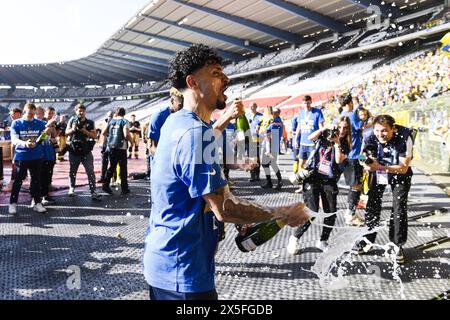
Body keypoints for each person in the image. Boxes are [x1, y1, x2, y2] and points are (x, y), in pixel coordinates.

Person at [143, 44, 310, 301]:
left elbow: (199, 171)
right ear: (193, 82)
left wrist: (234, 166)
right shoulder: (194, 134)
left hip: (167, 266)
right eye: (216, 72)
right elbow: (226, 209)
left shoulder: (179, 124)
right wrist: (282, 213)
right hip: (183, 275)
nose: (226, 79)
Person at [287, 116, 352, 254]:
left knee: (331, 213)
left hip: (329, 180)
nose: (341, 130)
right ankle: (295, 237)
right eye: (339, 127)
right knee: (312, 211)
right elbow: (310, 138)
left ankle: (322, 240)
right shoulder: (324, 135)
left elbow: (339, 159)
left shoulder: (345, 143)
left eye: (345, 128)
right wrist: (323, 128)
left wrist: (336, 142)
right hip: (313, 177)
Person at [356, 115, 414, 264]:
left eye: (384, 131)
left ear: (393, 129)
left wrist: (379, 167)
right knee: (372, 205)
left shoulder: (405, 137)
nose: (380, 134)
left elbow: (403, 168)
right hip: (379, 170)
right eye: (377, 130)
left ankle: (397, 245)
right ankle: (367, 240)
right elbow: (361, 157)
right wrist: (365, 164)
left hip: (398, 172)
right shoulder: (368, 135)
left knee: (399, 208)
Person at [8, 103, 55, 215]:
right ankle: (13, 203)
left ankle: (37, 203)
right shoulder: (17, 123)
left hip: (36, 157)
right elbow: (14, 140)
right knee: (18, 181)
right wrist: (25, 144)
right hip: (22, 156)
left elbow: (46, 138)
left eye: (32, 113)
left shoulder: (40, 123)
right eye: (28, 113)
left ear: (35, 112)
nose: (30, 116)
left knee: (36, 180)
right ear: (25, 111)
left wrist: (48, 129)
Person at [338, 93, 366, 226]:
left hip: (346, 155)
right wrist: (367, 120)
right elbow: (360, 127)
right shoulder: (351, 115)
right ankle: (350, 214)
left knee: (353, 184)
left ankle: (350, 211)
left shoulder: (339, 117)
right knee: (356, 185)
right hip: (354, 155)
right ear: (350, 103)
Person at [66, 104, 100, 200]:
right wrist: (73, 129)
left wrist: (84, 130)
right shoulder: (72, 121)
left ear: (85, 112)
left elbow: (94, 135)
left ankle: (93, 191)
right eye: (79, 111)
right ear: (76, 111)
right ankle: (72, 188)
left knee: (90, 172)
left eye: (82, 111)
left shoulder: (90, 122)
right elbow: (65, 132)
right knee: (73, 171)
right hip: (74, 150)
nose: (81, 113)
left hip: (86, 151)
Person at [295, 95, 325, 192]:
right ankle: (302, 185)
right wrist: (296, 139)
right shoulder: (300, 113)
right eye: (305, 103)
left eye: (308, 103)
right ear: (302, 104)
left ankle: (313, 185)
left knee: (312, 166)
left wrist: (321, 138)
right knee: (301, 165)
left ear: (311, 102)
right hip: (303, 143)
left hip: (313, 144)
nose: (307, 105)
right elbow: (298, 127)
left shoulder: (317, 112)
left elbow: (321, 127)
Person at [102, 107, 132, 195]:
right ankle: (124, 188)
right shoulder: (124, 121)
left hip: (111, 146)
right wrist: (131, 141)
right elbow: (126, 134)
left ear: (116, 113)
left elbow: (104, 132)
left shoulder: (111, 121)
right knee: (123, 168)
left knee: (112, 166)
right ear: (124, 113)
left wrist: (111, 136)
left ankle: (105, 184)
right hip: (121, 147)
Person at [148, 87, 184, 158]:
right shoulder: (158, 117)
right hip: (162, 163)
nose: (182, 109)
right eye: (180, 106)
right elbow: (153, 147)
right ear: (172, 101)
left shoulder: (186, 116)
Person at [259, 106, 283, 190]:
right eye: (273, 112)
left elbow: (271, 134)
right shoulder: (273, 121)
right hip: (267, 144)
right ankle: (270, 182)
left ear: (278, 113)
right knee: (265, 164)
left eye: (275, 112)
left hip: (272, 145)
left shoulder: (276, 121)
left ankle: (279, 181)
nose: (273, 113)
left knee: (272, 163)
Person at [4, 108, 22, 192]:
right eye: (11, 114)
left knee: (16, 167)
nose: (11, 116)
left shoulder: (20, 124)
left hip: (20, 149)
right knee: (15, 167)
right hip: (16, 148)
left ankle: (12, 184)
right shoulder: (14, 123)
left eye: (13, 114)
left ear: (18, 114)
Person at [247, 102, 263, 182]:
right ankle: (252, 175)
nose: (251, 108)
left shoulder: (261, 116)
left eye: (253, 106)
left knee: (256, 158)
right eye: (250, 106)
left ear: (256, 107)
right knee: (250, 158)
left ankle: (257, 175)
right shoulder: (247, 116)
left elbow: (264, 126)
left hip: (257, 140)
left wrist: (260, 127)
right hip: (249, 140)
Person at [98, 111, 114, 183]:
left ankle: (111, 178)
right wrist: (101, 143)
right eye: (108, 116)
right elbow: (102, 134)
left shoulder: (115, 122)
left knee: (112, 163)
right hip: (105, 144)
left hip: (112, 144)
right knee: (104, 162)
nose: (109, 117)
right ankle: (102, 177)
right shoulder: (104, 123)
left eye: (111, 116)